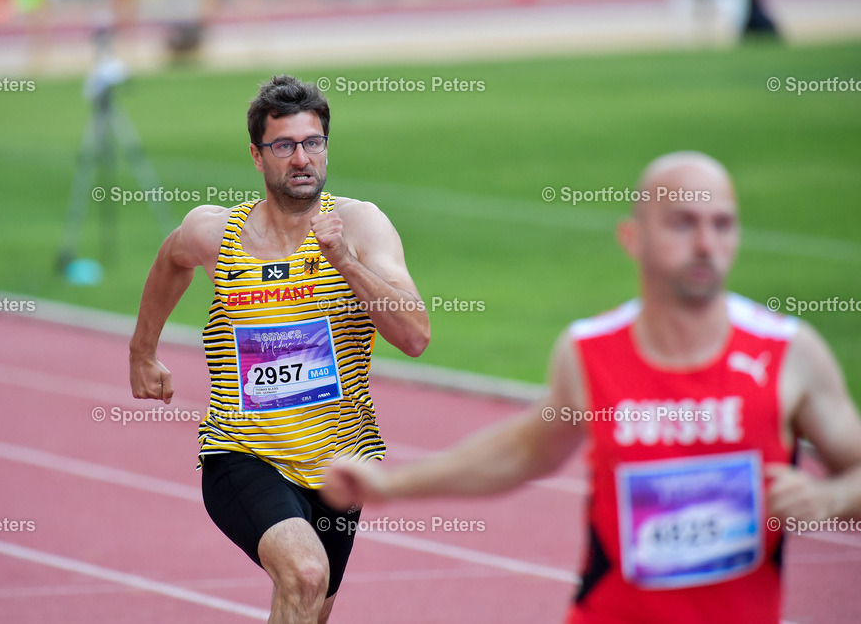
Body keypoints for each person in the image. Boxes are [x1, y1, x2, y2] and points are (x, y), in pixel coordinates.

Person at [322, 151, 861, 623]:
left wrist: (831, 497)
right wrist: (391, 486)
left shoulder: (788, 354)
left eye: (722, 224)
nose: (705, 244)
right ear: (634, 237)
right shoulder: (590, 352)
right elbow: (519, 453)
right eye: (683, 223)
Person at [129, 74, 430, 624]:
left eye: (312, 143)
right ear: (257, 155)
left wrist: (344, 262)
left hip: (340, 467)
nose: (300, 158)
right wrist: (142, 352)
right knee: (304, 573)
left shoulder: (361, 226)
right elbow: (170, 260)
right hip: (244, 453)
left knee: (310, 607)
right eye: (283, 146)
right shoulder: (216, 232)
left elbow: (415, 336)